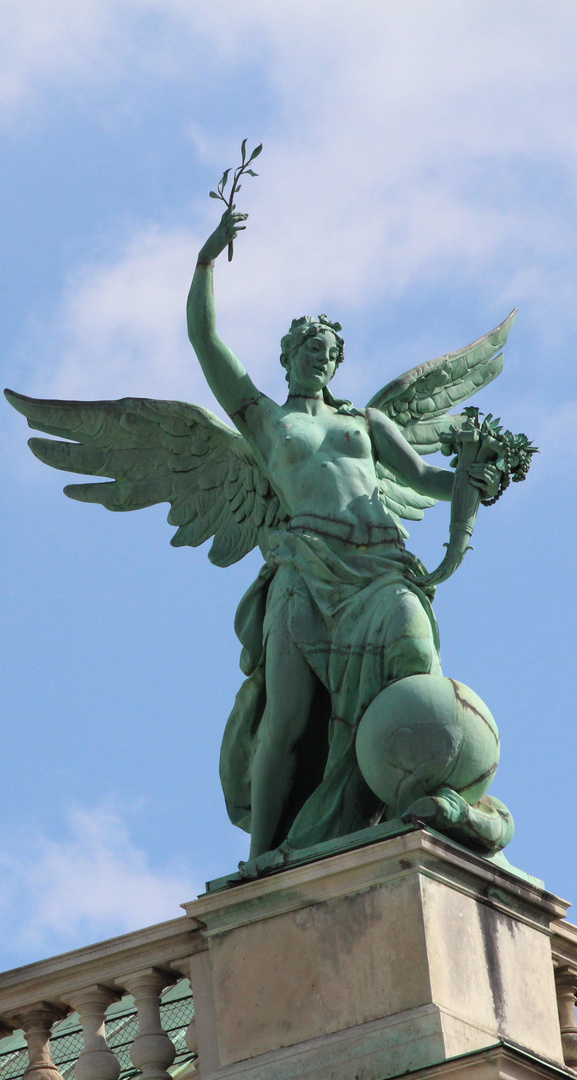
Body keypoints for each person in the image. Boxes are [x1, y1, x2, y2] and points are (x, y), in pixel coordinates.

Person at [188, 209, 503, 875]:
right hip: (306, 564)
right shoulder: (265, 421)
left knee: (416, 654)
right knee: (289, 719)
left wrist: (475, 476)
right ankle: (263, 855)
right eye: (312, 348)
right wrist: (206, 263)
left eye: (332, 352)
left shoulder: (367, 422)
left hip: (381, 565)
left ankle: (420, 796)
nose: (323, 358)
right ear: (289, 356)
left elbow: (424, 478)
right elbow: (206, 342)